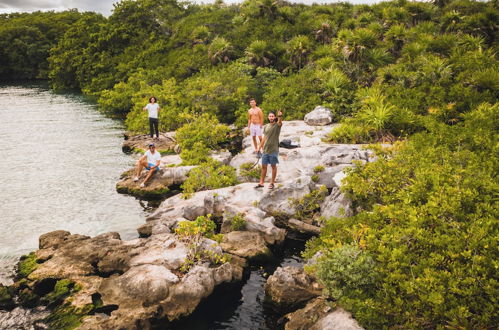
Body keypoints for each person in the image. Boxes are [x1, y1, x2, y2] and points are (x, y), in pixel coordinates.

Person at [256, 110, 283, 189]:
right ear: (268, 117)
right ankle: (261, 182)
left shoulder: (277, 125)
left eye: (272, 116)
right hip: (265, 150)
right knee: (264, 166)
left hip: (274, 149)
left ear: (274, 117)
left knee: (273, 166)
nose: (271, 117)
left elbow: (280, 122)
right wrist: (259, 147)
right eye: (270, 116)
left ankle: (272, 183)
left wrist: (280, 116)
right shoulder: (266, 126)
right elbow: (264, 138)